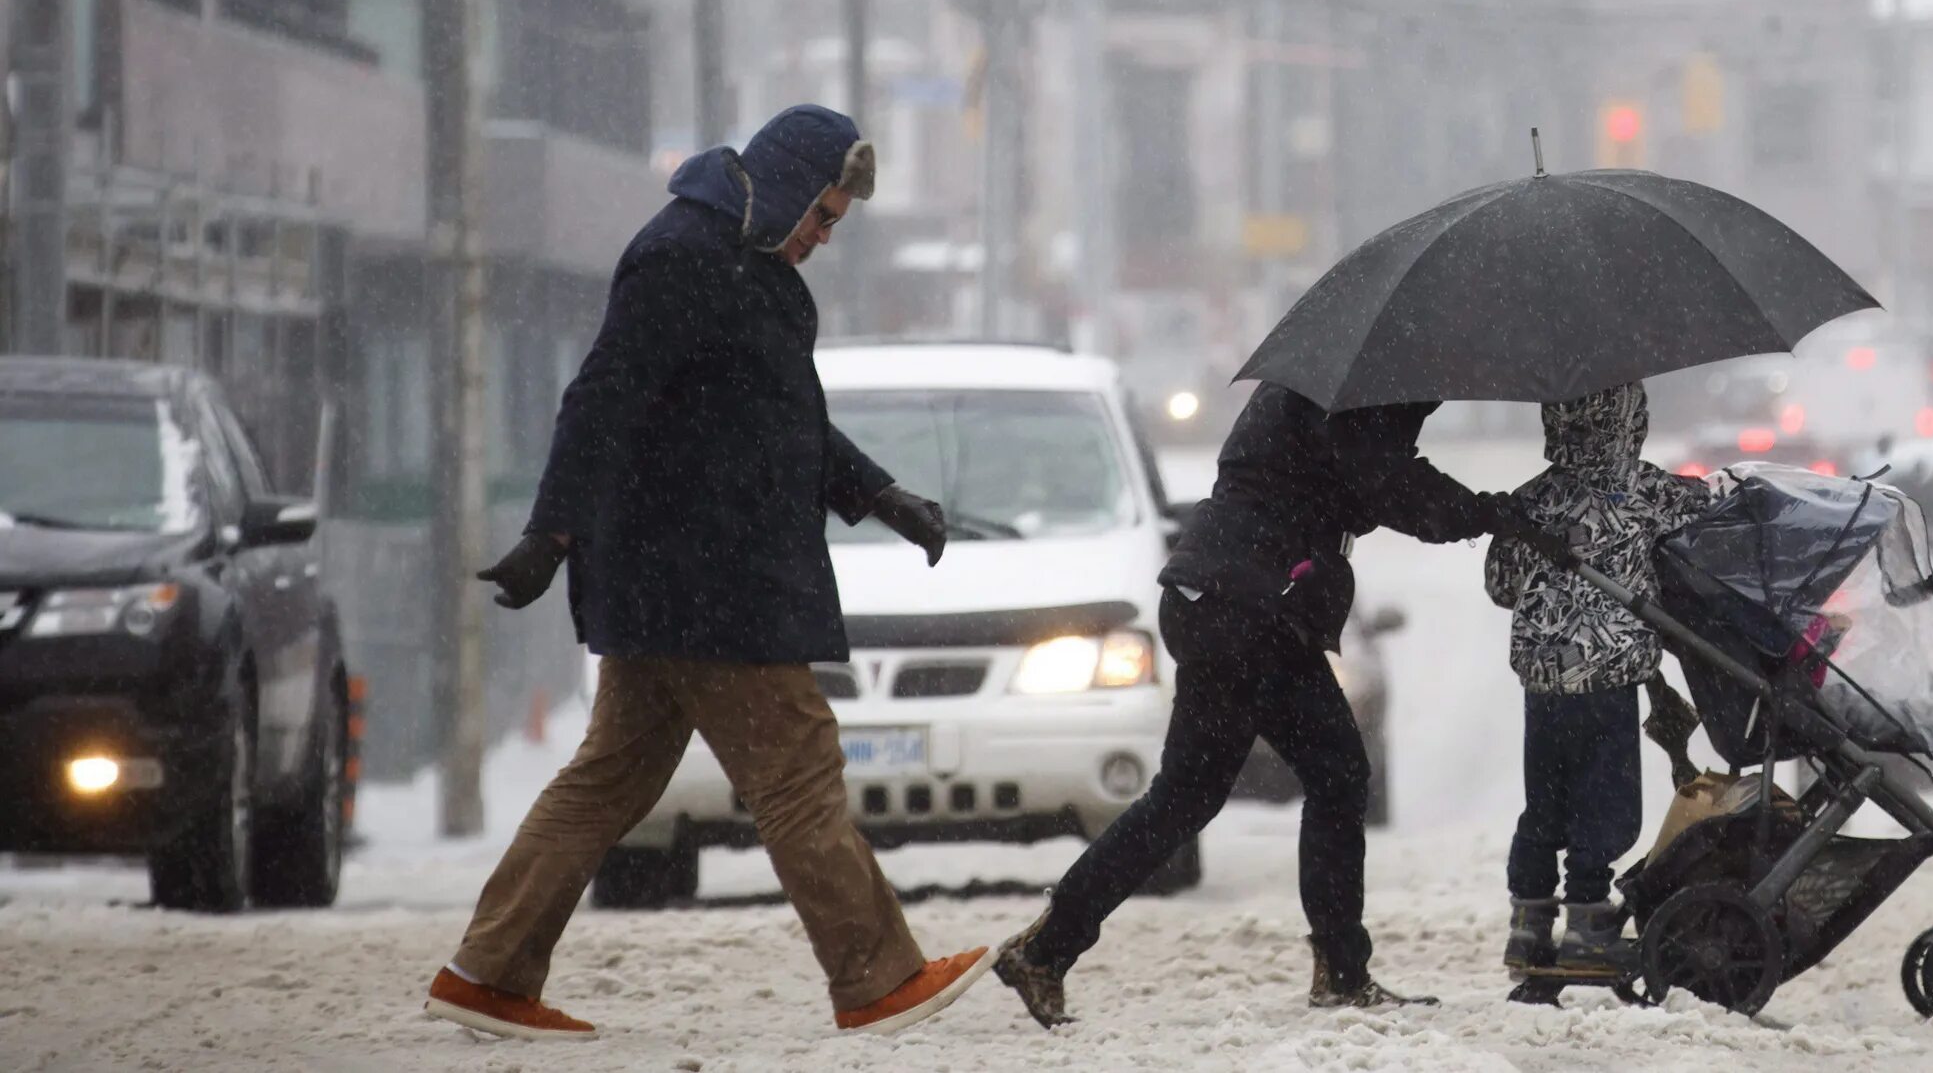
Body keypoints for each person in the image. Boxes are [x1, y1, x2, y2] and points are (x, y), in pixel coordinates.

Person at [421, 105, 995, 1043]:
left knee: (608, 777)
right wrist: (548, 533)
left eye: (835, 224)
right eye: (821, 215)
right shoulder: (683, 255)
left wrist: (885, 496)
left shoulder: (746, 261)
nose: (821, 237)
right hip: (708, 576)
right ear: (784, 186)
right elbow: (601, 396)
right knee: (800, 771)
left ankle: (487, 971)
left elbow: (781, 415)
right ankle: (878, 975)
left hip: (680, 577)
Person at [991, 383, 1503, 1026]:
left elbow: (1371, 479)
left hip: (1227, 595)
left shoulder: (1327, 379)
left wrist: (1463, 506)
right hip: (1247, 605)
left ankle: (1050, 947)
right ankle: (1338, 973)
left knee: (1213, 791)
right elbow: (1387, 484)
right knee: (1317, 778)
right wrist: (1485, 512)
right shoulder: (1345, 391)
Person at [1481, 383, 1714, 992]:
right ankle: (1587, 921)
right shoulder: (1645, 491)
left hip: (1545, 683)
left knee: (1546, 800)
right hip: (1609, 681)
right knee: (1603, 802)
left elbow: (1502, 587)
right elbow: (1705, 519)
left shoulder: (1531, 500)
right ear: (1631, 419)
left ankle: (1529, 921)